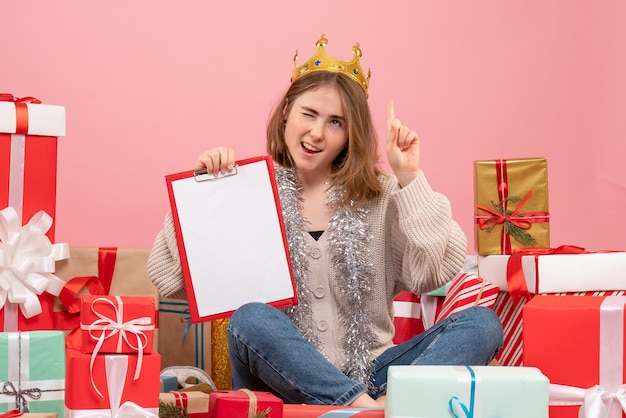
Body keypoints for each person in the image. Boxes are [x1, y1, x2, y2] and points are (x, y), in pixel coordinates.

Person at [148, 35, 503, 408]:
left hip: (376, 372)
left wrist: (409, 178)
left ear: (352, 134)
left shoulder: (381, 195)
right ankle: (370, 411)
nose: (318, 133)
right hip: (281, 380)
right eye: (309, 114)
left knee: (481, 324)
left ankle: (382, 404)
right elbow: (169, 280)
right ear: (286, 110)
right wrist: (203, 192)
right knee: (251, 318)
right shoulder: (249, 189)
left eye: (336, 122)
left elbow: (432, 270)